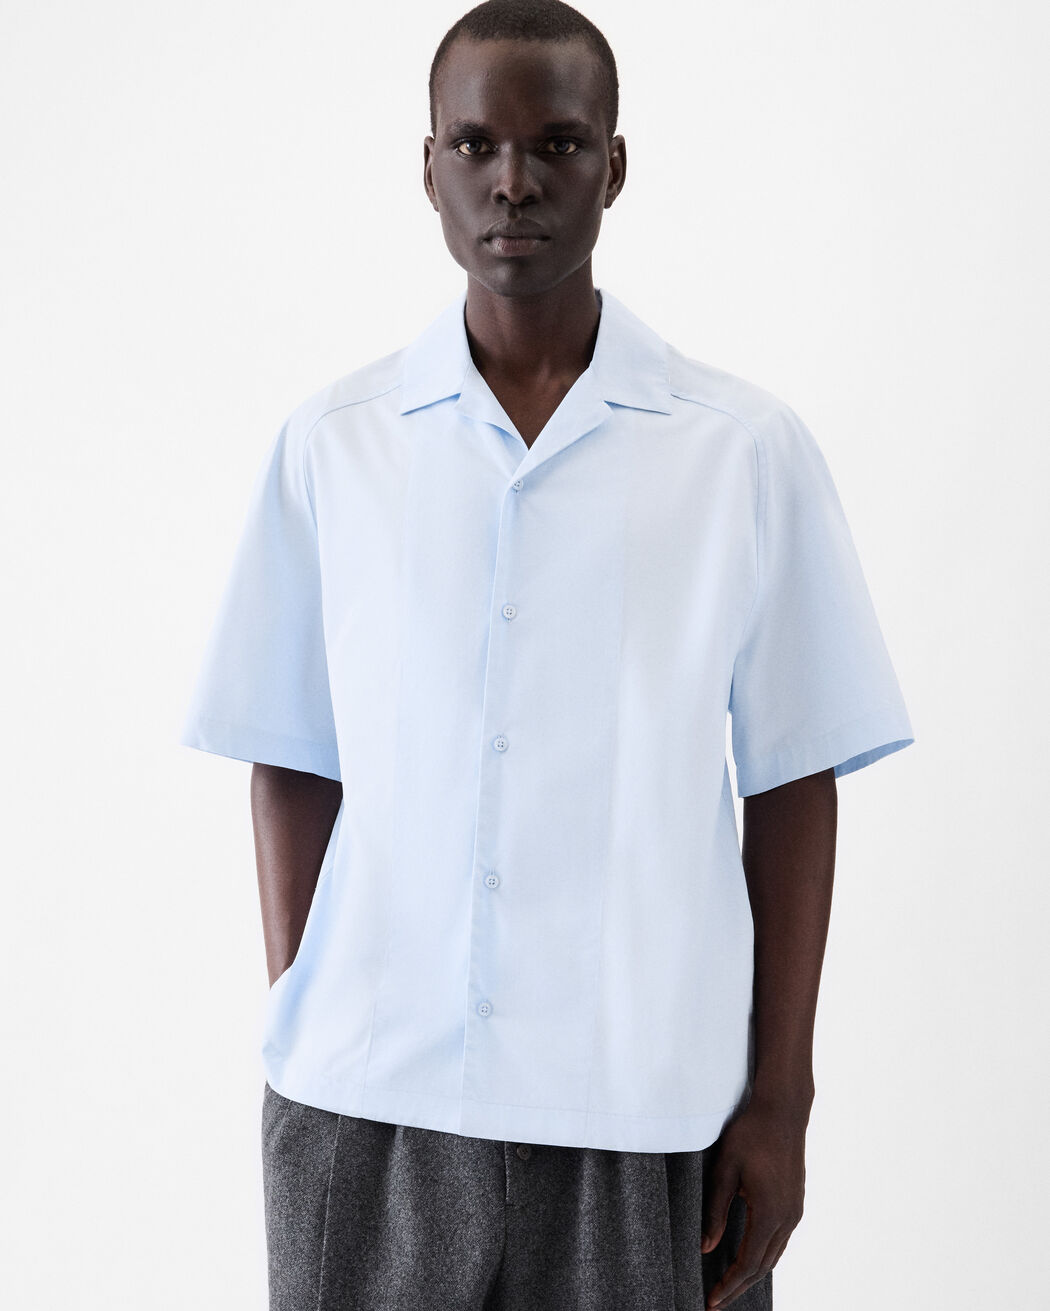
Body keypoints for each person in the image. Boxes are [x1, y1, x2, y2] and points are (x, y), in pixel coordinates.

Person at [179, 2, 914, 1308]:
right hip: (369, 1104)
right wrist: (309, 1003)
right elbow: (289, 757)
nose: (512, 181)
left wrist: (780, 1098)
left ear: (613, 166)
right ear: (428, 167)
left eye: (558, 143)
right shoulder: (336, 444)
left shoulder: (738, 451)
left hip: (648, 1109)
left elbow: (793, 781)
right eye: (475, 144)